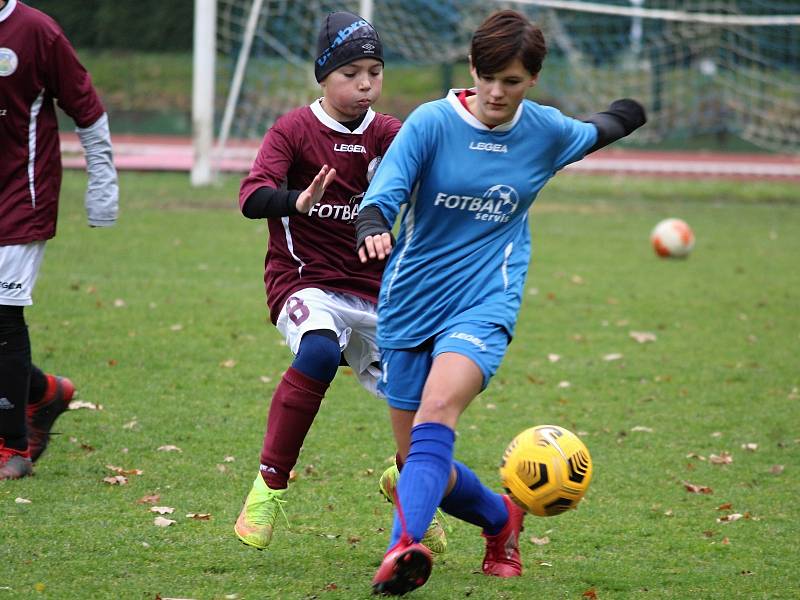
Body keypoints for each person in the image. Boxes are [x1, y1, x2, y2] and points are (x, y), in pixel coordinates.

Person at [356, 9, 646, 595]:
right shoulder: (432, 123)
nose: (496, 91)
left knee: (439, 411)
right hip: (411, 299)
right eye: (487, 76)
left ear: (532, 79)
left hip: (486, 300)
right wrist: (372, 224)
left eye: (511, 81)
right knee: (417, 462)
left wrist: (630, 111)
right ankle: (500, 520)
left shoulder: (545, 132)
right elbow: (383, 194)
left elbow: (599, 128)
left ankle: (402, 549)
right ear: (471, 68)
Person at [233, 11, 445, 555]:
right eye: (351, 72)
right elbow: (251, 197)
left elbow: (436, 170)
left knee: (418, 396)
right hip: (304, 283)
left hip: (378, 296)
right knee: (320, 351)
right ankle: (268, 487)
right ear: (323, 76)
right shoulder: (292, 130)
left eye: (375, 71)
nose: (366, 84)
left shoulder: (390, 134)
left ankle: (408, 489)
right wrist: (294, 201)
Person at [0, 0, 118, 480]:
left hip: (19, 198)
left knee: (2, 318)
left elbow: (86, 109)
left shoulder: (36, 31)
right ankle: (44, 392)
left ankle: (11, 449)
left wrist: (103, 187)